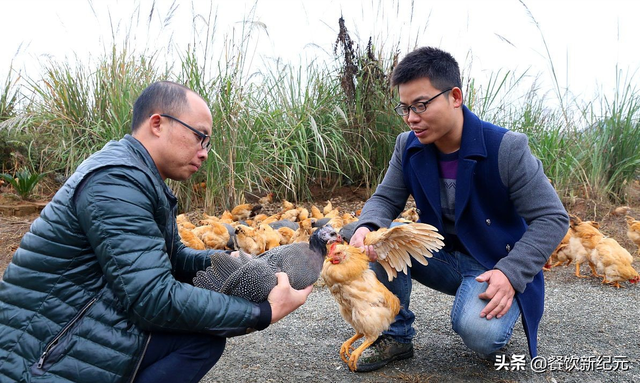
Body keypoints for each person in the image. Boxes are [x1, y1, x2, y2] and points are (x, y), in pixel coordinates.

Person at [0, 81, 312, 383]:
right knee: (200, 341)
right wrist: (260, 312)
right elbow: (152, 299)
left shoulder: (137, 176)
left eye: (209, 142)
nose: (204, 152)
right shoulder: (115, 183)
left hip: (77, 322)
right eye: (199, 137)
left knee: (202, 340)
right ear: (158, 124)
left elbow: (172, 256)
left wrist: (225, 259)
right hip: (41, 349)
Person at [348, 46, 569, 372]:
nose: (412, 118)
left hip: (493, 262)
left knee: (480, 334)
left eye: (421, 105)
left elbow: (552, 217)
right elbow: (385, 199)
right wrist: (366, 227)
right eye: (405, 108)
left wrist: (512, 273)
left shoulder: (506, 148)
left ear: (454, 96)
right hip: (439, 255)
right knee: (376, 239)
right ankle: (395, 336)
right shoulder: (407, 146)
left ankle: (505, 303)